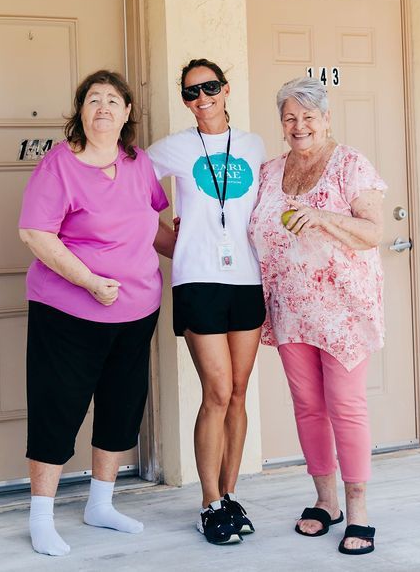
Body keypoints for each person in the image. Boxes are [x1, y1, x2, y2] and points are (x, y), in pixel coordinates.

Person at [18, 69, 168, 557]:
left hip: (137, 309)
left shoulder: (139, 162)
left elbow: (156, 226)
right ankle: (41, 517)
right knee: (57, 407)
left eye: (113, 100)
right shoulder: (58, 166)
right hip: (68, 311)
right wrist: (89, 281)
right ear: (80, 111)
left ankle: (100, 504)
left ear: (127, 113)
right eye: (93, 100)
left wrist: (202, 251)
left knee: (122, 404)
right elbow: (36, 234)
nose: (103, 107)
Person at [248, 76, 386, 556]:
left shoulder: (350, 164)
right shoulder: (268, 171)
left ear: (326, 119)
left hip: (343, 310)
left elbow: (373, 232)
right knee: (307, 407)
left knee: (346, 407)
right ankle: (326, 501)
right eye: (290, 117)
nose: (299, 125)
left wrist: (325, 218)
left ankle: (359, 508)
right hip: (289, 308)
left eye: (308, 116)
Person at [148, 59, 267, 546]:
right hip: (198, 280)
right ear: (184, 99)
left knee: (238, 391)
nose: (203, 98)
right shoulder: (172, 148)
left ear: (226, 89)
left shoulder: (255, 145)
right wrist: (171, 244)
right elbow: (132, 199)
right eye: (192, 92)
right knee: (216, 391)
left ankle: (230, 495)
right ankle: (209, 502)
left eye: (210, 88)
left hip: (247, 278)